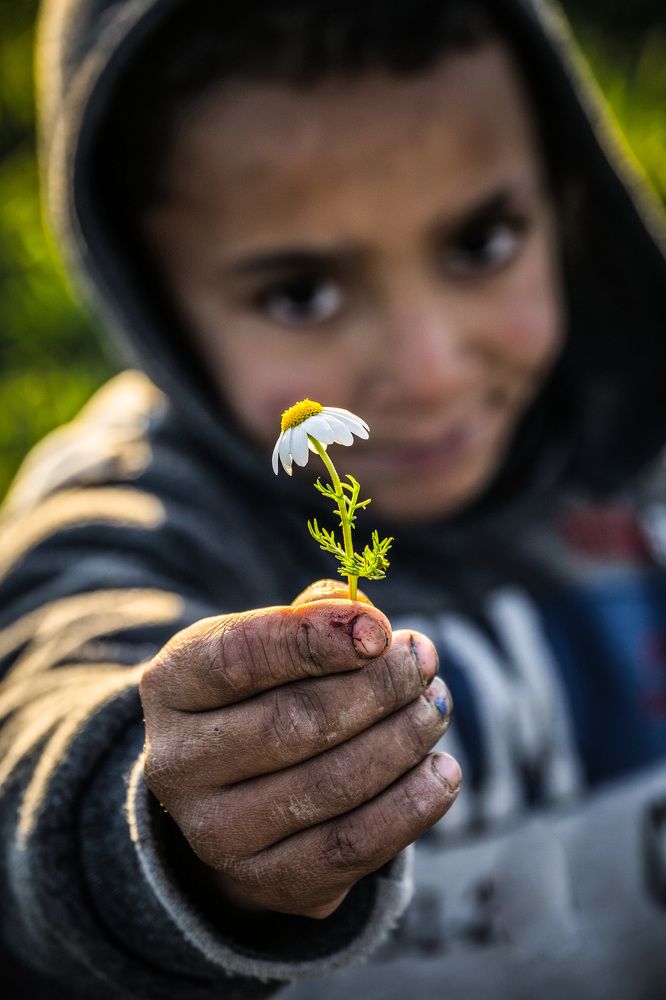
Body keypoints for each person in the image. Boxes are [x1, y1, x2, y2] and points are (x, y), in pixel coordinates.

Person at [1, 0, 666, 996]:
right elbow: (38, 721)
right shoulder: (139, 517)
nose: (429, 371)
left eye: (482, 242)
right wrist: (167, 825)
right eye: (301, 293)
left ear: (566, 199)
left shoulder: (641, 439)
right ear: (155, 296)